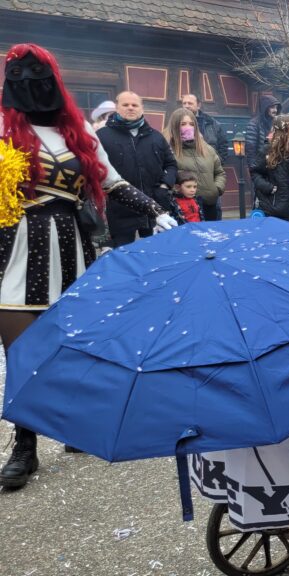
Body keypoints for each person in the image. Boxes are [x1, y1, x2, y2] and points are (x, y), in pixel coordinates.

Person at [0, 44, 176, 489]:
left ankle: (70, 425)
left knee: (70, 344)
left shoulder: (78, 131)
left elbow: (112, 183)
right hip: (16, 246)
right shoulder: (3, 129)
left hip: (70, 243)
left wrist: (156, 210)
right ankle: (25, 446)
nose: (30, 84)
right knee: (20, 352)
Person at [97, 91, 178, 247]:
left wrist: (165, 185)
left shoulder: (156, 136)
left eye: (135, 105)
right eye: (125, 105)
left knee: (157, 251)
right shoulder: (102, 136)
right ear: (117, 108)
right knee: (122, 254)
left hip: (155, 208)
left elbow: (171, 164)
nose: (130, 108)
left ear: (142, 108)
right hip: (120, 210)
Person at [163, 107, 225, 221]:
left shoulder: (207, 148)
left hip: (209, 205)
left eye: (191, 124)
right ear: (175, 126)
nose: (188, 127)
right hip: (184, 208)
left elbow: (219, 172)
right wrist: (177, 195)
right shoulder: (167, 149)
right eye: (183, 124)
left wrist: (216, 190)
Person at [250, 113, 289, 223]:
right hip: (274, 211)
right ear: (284, 129)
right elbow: (255, 172)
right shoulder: (268, 150)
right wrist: (268, 187)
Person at [180, 93, 228, 163]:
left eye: (190, 103)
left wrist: (217, 163)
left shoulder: (211, 123)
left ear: (198, 105)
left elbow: (223, 145)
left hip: (208, 165)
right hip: (185, 165)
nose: (186, 106)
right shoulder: (176, 123)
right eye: (184, 103)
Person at [245, 94, 280, 168]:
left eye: (276, 107)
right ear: (265, 108)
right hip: (260, 164)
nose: (275, 110)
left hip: (274, 164)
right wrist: (253, 167)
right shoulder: (254, 124)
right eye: (272, 107)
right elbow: (250, 148)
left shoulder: (277, 123)